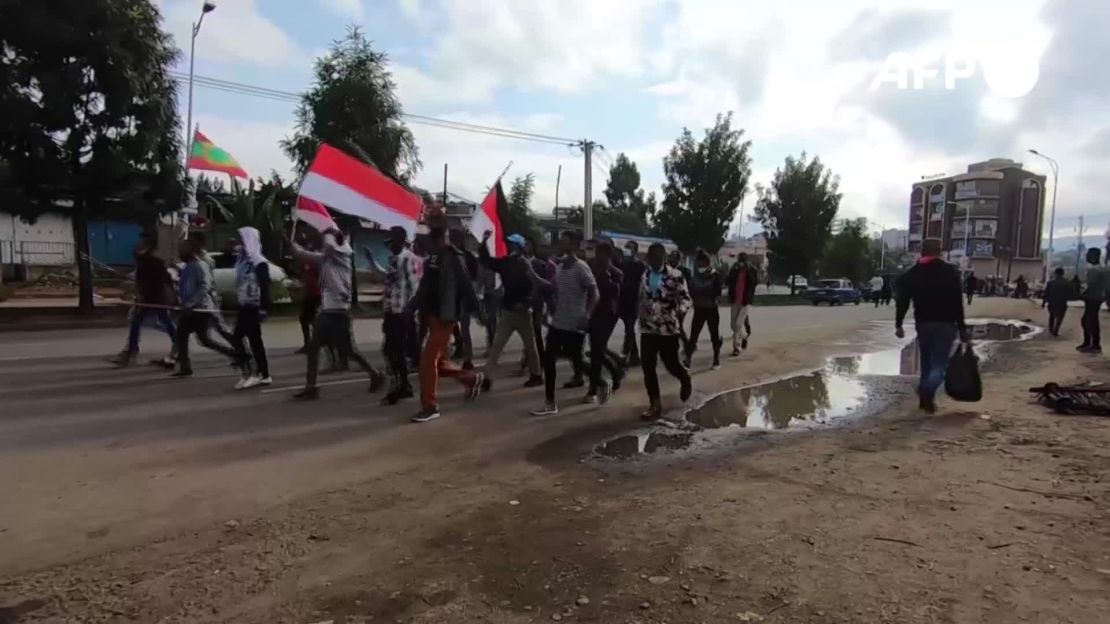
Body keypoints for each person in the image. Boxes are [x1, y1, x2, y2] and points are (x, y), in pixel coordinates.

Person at [289, 228, 386, 400]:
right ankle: (311, 387)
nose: (323, 244)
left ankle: (375, 374)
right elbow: (305, 255)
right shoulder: (328, 257)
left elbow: (326, 248)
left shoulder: (341, 257)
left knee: (349, 351)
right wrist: (291, 244)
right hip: (328, 312)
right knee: (318, 349)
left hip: (339, 313)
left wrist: (327, 234)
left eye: (326, 241)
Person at [406, 224, 486, 423]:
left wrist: (478, 311)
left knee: (427, 362)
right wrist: (411, 306)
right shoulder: (432, 258)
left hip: (446, 316)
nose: (432, 245)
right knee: (438, 364)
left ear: (442, 239)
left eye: (436, 241)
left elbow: (467, 285)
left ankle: (430, 407)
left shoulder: (454, 257)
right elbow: (424, 287)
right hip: (432, 315)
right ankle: (472, 379)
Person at [894, 240, 969, 413]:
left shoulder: (913, 273)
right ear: (940, 252)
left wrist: (899, 324)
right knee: (940, 364)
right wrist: (962, 328)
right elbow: (957, 302)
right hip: (946, 324)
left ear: (922, 252)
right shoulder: (950, 272)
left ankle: (926, 400)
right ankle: (926, 391)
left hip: (923, 323)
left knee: (926, 362)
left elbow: (902, 301)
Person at [530, 231, 598, 416]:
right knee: (549, 360)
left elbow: (594, 293)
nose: (562, 247)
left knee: (576, 360)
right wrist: (546, 311)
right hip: (558, 323)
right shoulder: (559, 268)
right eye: (562, 243)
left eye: (566, 244)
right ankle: (550, 403)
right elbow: (553, 290)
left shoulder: (581, 268)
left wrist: (587, 315)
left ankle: (598, 381)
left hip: (575, 324)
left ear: (575, 247)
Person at [478, 231, 544, 390]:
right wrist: (484, 242)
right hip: (509, 311)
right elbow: (487, 261)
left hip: (521, 312)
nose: (508, 245)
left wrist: (527, 303)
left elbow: (535, 286)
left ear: (518, 247)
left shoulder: (523, 263)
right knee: (498, 346)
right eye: (509, 243)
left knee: (529, 345)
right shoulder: (507, 262)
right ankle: (488, 378)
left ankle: (536, 375)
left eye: (512, 244)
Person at [171, 239, 244, 379]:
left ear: (191, 251)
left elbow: (205, 286)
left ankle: (236, 354)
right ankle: (186, 367)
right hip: (190, 309)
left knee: (199, 338)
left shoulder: (200, 265)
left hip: (200, 309)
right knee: (191, 338)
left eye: (182, 250)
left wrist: (190, 303)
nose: (179, 253)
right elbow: (187, 287)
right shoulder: (188, 267)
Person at [364, 226, 420, 405]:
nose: (390, 245)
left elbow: (415, 287)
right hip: (390, 311)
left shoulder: (407, 258)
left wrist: (409, 312)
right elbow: (387, 278)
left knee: (394, 351)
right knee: (391, 351)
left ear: (401, 240)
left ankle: (398, 387)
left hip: (401, 312)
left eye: (393, 240)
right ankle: (403, 385)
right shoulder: (393, 259)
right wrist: (372, 260)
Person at [639, 242, 693, 420]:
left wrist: (681, 310)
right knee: (648, 366)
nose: (654, 260)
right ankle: (655, 404)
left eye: (658, 257)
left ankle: (684, 377)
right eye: (651, 257)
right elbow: (641, 298)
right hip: (648, 328)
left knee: (671, 363)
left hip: (668, 327)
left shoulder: (676, 276)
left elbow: (686, 299)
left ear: (664, 258)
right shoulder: (644, 275)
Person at [111, 234, 177, 366]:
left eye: (141, 242)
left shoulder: (151, 261)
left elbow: (161, 279)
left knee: (159, 322)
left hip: (153, 297)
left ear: (147, 245)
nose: (138, 244)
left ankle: (131, 352)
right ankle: (132, 350)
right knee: (154, 322)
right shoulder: (146, 260)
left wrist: (141, 292)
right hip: (153, 297)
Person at [229, 227, 272, 389]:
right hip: (244, 305)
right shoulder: (241, 260)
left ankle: (255, 373)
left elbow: (265, 286)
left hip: (253, 306)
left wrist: (263, 308)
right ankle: (261, 373)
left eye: (241, 239)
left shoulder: (259, 262)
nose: (238, 243)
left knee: (244, 339)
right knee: (248, 340)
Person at [585, 241, 625, 403]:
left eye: (600, 254)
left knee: (597, 350)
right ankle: (615, 372)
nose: (597, 257)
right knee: (596, 350)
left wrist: (607, 279)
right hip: (593, 312)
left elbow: (616, 292)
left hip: (608, 314)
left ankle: (593, 388)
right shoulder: (591, 268)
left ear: (608, 255)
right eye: (596, 253)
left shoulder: (616, 273)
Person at [685, 250, 723, 369]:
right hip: (699, 309)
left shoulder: (715, 275)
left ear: (707, 263)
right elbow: (690, 290)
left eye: (701, 264)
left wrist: (710, 296)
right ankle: (687, 359)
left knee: (714, 334)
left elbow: (718, 292)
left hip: (711, 309)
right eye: (698, 263)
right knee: (693, 335)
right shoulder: (695, 275)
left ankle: (716, 359)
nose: (699, 266)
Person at [619, 241, 647, 366]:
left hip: (635, 299)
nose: (627, 250)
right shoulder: (622, 264)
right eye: (626, 248)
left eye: (629, 248)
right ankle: (634, 355)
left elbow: (643, 284)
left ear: (635, 250)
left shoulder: (640, 265)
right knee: (628, 328)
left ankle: (626, 353)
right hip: (623, 299)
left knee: (629, 328)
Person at [725, 253, 758, 356]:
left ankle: (736, 347)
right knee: (733, 325)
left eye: (743, 261)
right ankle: (744, 336)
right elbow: (727, 281)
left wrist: (747, 270)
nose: (741, 263)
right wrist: (733, 270)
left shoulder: (752, 270)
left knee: (738, 324)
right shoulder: (735, 269)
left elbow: (754, 282)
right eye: (740, 261)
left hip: (745, 302)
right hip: (735, 300)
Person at [1079, 248, 1107, 354]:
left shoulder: (1094, 270)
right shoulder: (1100, 269)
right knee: (1089, 320)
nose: (1086, 256)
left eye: (1088, 254)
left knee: (1090, 321)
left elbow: (1089, 286)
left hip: (1092, 298)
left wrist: (1081, 294)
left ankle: (1093, 344)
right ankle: (1090, 343)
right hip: (1096, 298)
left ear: (1093, 256)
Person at [667, 249, 692, 354]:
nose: (672, 258)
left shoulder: (685, 271)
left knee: (678, 324)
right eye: (671, 256)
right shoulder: (666, 269)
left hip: (681, 302)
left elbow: (688, 287)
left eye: (674, 257)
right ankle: (686, 345)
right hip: (670, 302)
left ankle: (687, 345)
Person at [1042, 267, 1071, 337]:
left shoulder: (1051, 283)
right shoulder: (1067, 283)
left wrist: (1043, 302)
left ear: (1055, 274)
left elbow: (1046, 293)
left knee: (1052, 316)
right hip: (1062, 302)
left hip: (1052, 302)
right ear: (1063, 274)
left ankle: (1051, 329)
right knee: (1060, 317)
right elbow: (1070, 294)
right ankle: (1056, 330)